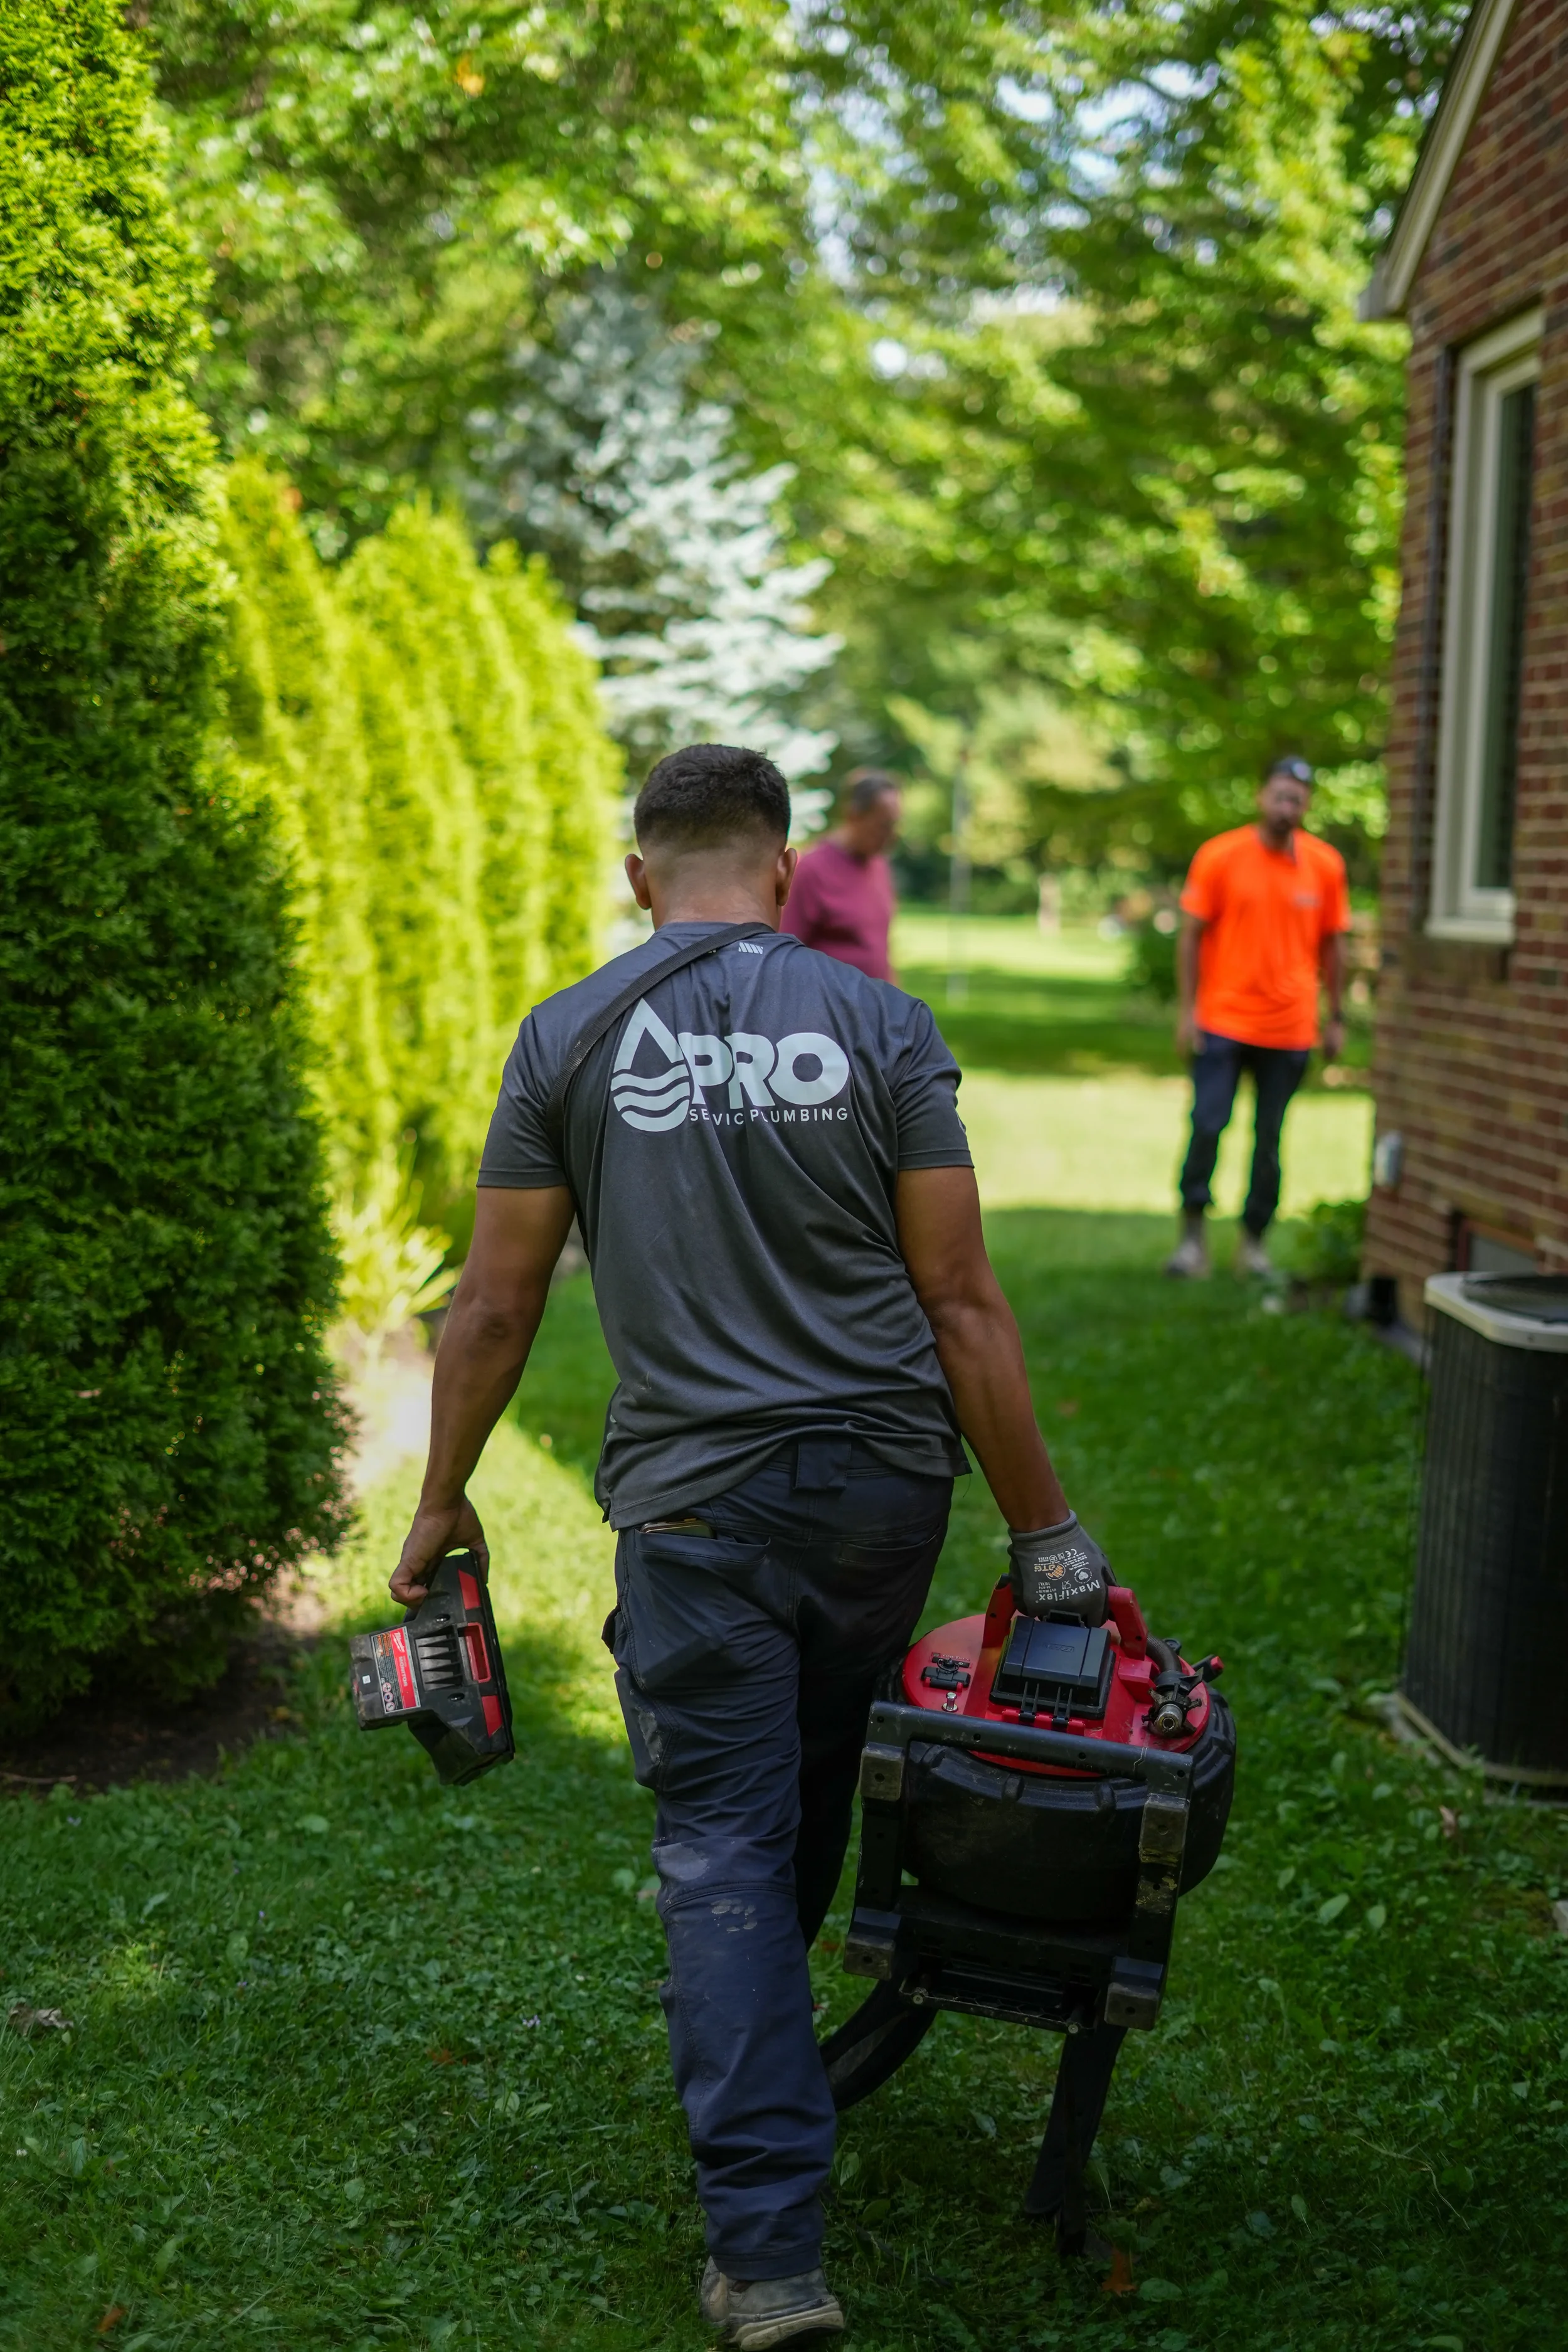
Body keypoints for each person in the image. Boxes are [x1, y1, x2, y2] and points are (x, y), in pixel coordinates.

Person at [389, 742, 1106, 2349]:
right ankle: (762, 2085)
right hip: (879, 1497)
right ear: (782, 872)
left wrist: (439, 1495)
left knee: (722, 1836)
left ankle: (769, 2247)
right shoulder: (881, 1025)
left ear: (641, 877)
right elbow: (963, 1300)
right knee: (797, 1784)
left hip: (697, 1507)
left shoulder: (567, 1033)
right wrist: (1046, 1536)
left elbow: (496, 1301)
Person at [1165, 755, 1350, 1279]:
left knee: (1270, 1139)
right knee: (1207, 1126)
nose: (1287, 805)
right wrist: (1188, 1012)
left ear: (1306, 805)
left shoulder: (1325, 866)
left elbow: (1335, 947)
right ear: (1260, 796)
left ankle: (1253, 1243)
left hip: (1290, 1028)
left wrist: (1336, 1017)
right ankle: (1192, 1241)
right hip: (1222, 1021)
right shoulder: (1221, 856)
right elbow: (1191, 936)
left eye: (1297, 797)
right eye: (1279, 794)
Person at [778, 766, 901, 980]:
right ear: (854, 816)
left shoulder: (879, 866)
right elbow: (786, 953)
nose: (892, 836)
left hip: (876, 1007)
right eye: (884, 826)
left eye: (895, 825)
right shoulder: (812, 870)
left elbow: (880, 947)